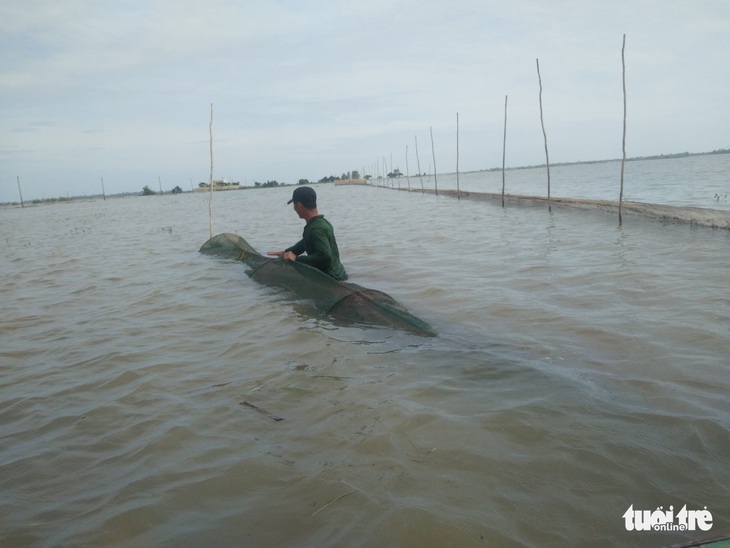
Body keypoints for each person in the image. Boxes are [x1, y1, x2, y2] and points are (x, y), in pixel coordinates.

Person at [267, 186, 348, 281]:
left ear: (299, 205)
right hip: (341, 274)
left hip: (331, 278)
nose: (294, 209)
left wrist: (296, 259)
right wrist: (287, 252)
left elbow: (325, 257)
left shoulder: (316, 228)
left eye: (294, 205)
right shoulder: (322, 222)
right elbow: (306, 241)